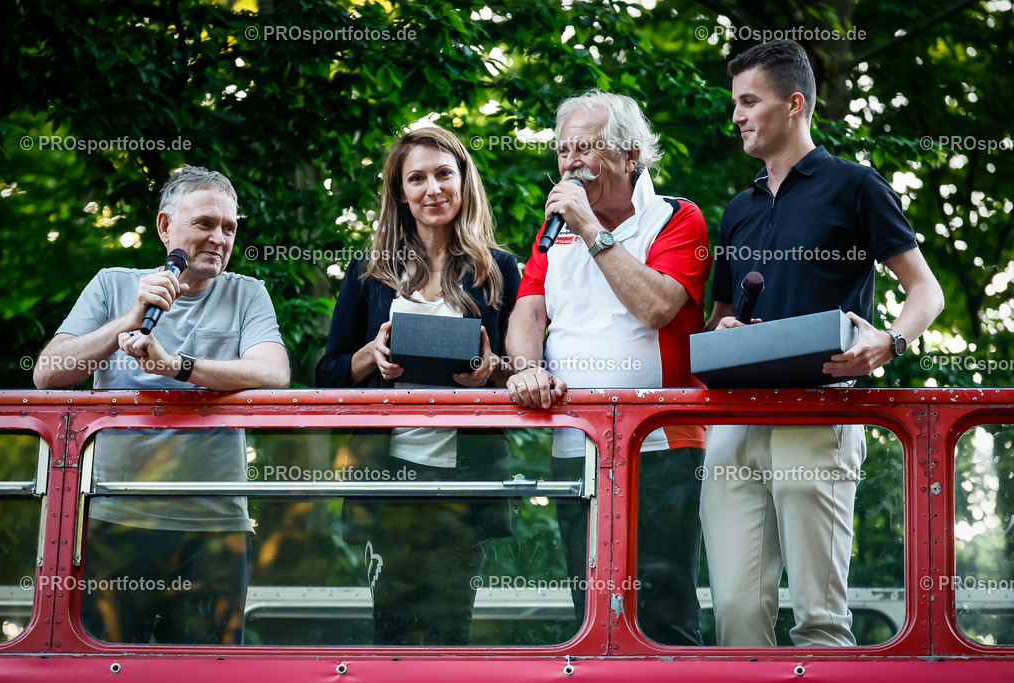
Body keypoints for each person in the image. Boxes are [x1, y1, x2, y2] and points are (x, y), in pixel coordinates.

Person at [700, 40, 944, 647]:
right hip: (734, 419)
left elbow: (926, 293)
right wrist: (723, 331)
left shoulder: (855, 185)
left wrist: (889, 342)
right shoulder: (736, 210)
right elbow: (720, 318)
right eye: (735, 103)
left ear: (795, 104)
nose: (737, 115)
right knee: (733, 614)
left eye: (749, 101)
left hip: (820, 408)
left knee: (819, 618)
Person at [33, 166, 290, 644]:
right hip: (115, 517)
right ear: (164, 226)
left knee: (205, 675)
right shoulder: (113, 284)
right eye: (206, 224)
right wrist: (128, 319)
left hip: (215, 526)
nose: (219, 238)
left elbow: (274, 374)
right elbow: (47, 373)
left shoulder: (246, 292)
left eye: (230, 228)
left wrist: (177, 366)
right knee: (104, 668)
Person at [505, 90, 712, 645]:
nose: (570, 161)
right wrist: (525, 369)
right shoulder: (553, 232)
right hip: (577, 444)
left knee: (662, 605)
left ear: (631, 154)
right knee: (590, 609)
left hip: (662, 445)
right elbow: (528, 310)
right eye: (563, 149)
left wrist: (594, 231)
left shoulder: (677, 217)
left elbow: (656, 306)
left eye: (586, 148)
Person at [315, 125, 520, 645]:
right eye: (417, 178)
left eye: (443, 174)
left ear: (463, 180)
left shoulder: (498, 269)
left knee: (453, 631)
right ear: (400, 192)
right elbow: (328, 372)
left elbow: (526, 370)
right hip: (387, 484)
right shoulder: (369, 272)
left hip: (465, 485)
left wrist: (491, 369)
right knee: (394, 631)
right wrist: (370, 356)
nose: (433, 189)